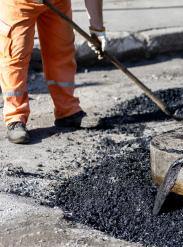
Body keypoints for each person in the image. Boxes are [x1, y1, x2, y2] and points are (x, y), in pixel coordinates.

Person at [0, 0, 107, 144]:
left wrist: (97, 29)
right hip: (18, 3)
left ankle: (67, 112)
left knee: (61, 52)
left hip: (58, 2)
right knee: (15, 56)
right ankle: (15, 118)